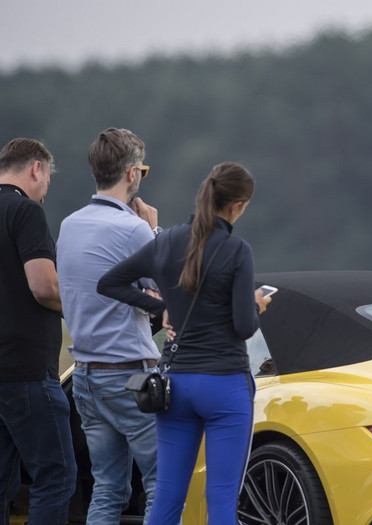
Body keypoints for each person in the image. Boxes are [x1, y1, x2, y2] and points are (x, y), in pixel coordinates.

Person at [97, 161, 270, 524]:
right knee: (221, 501)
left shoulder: (167, 242)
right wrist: (256, 305)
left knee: (167, 499)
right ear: (238, 205)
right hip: (224, 386)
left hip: (175, 386)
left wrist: (161, 310)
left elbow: (110, 283)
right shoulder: (237, 251)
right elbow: (243, 326)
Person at [57, 128, 162, 524]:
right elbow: (170, 283)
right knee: (162, 485)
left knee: (107, 489)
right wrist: (154, 230)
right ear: (132, 174)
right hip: (130, 374)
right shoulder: (133, 229)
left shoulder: (70, 225)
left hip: (85, 375)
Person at [0, 138, 77, 525]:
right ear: (36, 169)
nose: (46, 190)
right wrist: (81, 310)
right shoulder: (25, 212)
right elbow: (44, 286)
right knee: (56, 477)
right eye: (47, 179)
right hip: (26, 371)